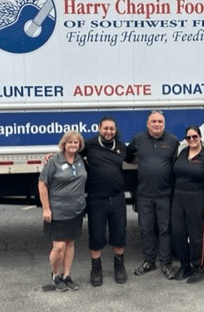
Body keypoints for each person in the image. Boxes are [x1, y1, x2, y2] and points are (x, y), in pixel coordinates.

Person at [126, 110, 179, 280]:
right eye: (153, 121)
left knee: (165, 230)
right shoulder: (138, 139)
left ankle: (166, 262)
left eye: (160, 122)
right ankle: (149, 261)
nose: (156, 124)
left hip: (165, 194)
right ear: (147, 124)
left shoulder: (173, 141)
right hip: (144, 195)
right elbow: (128, 157)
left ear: (164, 124)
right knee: (146, 229)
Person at [38, 130, 87, 292]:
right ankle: (56, 275)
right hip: (57, 211)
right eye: (70, 142)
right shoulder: (54, 161)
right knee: (58, 246)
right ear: (64, 144)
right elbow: (42, 184)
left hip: (76, 210)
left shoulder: (81, 160)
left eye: (76, 143)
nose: (73, 145)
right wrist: (46, 208)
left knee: (70, 243)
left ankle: (67, 276)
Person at [83, 116, 128, 286]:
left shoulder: (122, 147)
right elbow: (69, 151)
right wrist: (52, 156)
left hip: (117, 198)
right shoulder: (89, 145)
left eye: (112, 129)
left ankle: (119, 266)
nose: (108, 132)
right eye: (105, 128)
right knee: (96, 235)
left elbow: (135, 159)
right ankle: (96, 268)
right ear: (99, 128)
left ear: (115, 131)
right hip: (96, 199)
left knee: (119, 233)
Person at [171, 126, 204, 284]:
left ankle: (198, 268)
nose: (192, 140)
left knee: (197, 236)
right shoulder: (181, 152)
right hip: (178, 198)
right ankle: (184, 266)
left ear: (200, 137)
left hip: (198, 198)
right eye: (188, 137)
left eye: (195, 137)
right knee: (178, 233)